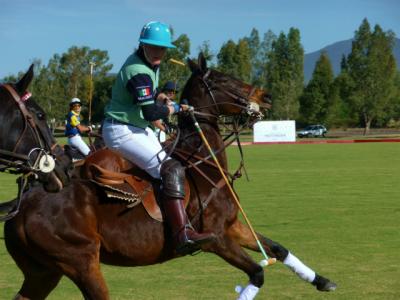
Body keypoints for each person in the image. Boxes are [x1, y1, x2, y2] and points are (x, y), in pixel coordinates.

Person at [102, 21, 215, 254]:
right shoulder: (138, 71)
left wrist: (162, 97)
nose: (159, 53)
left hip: (136, 127)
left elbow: (150, 97)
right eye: (154, 47)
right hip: (122, 130)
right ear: (143, 45)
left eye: (163, 49)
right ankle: (182, 234)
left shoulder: (149, 64)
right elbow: (150, 112)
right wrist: (175, 108)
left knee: (173, 162)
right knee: (171, 168)